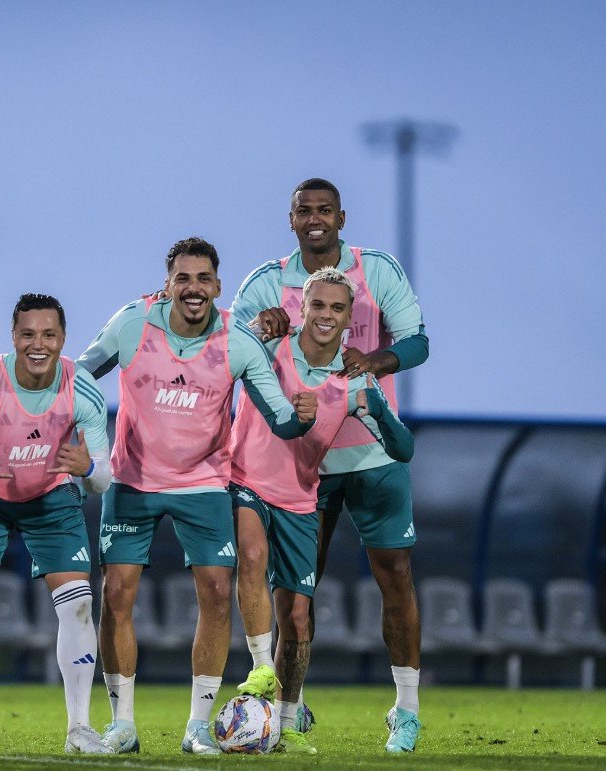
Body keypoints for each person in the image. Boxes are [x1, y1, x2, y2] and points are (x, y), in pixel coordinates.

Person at [74, 237, 315, 755]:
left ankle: (198, 727)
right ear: (167, 284)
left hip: (204, 484)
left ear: (217, 287)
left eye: (203, 279)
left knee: (214, 591)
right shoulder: (132, 323)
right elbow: (77, 376)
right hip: (132, 481)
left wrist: (304, 415)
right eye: (183, 278)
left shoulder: (238, 341)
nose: (193, 288)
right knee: (116, 595)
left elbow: (281, 418)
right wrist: (87, 441)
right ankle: (123, 726)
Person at [230, 179, 428, 753]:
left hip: (369, 453)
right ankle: (287, 710)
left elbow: (417, 342)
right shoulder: (267, 281)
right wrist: (259, 329)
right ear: (290, 219)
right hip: (298, 461)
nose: (315, 220)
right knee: (295, 595)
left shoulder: (377, 271)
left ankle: (406, 709)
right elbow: (230, 346)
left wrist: (374, 361)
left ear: (341, 217)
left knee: (395, 575)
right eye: (304, 212)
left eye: (325, 211)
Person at [0, 294, 113, 756]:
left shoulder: (83, 389)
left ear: (63, 339)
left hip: (50, 499)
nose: (39, 344)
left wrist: (86, 469)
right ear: (14, 337)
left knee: (77, 608)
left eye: (49, 334)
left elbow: (103, 478)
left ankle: (80, 730)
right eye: (28, 334)